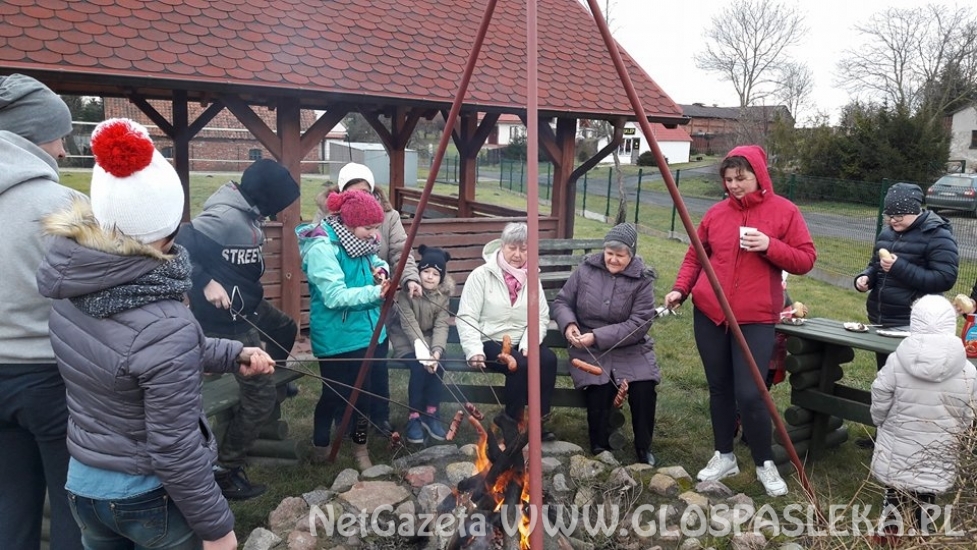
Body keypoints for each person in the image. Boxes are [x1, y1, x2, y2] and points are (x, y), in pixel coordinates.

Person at [35, 118, 276, 550]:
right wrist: (217, 530)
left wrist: (232, 353)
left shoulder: (71, 288)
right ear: (169, 227)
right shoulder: (166, 322)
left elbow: (136, 353)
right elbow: (174, 448)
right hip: (145, 497)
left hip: (84, 485)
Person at [663, 145, 816, 497]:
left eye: (741, 178)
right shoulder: (716, 214)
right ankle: (725, 455)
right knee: (719, 388)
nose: (733, 185)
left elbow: (806, 259)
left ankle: (764, 462)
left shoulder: (785, 212)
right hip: (710, 313)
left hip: (755, 318)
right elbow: (695, 257)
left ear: (758, 176)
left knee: (750, 392)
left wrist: (769, 245)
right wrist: (680, 289)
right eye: (728, 179)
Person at [175, 158, 300, 500]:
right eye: (280, 202)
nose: (280, 210)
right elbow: (177, 247)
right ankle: (225, 469)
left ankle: (274, 377)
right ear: (266, 196)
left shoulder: (248, 213)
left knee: (284, 327)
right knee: (259, 400)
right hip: (226, 320)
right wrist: (204, 282)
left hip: (248, 305)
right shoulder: (224, 217)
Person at [0, 73, 84, 550]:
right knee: (74, 505)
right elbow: (105, 294)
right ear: (34, 135)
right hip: (50, 378)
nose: (64, 151)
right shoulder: (64, 205)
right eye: (59, 136)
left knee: (9, 506)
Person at [314, 162, 421, 436]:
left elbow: (398, 252)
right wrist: (374, 290)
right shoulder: (327, 231)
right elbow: (331, 284)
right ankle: (341, 426)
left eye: (366, 191)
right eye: (354, 191)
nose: (361, 195)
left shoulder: (386, 218)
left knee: (375, 368)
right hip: (345, 315)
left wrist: (403, 277)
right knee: (343, 379)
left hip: (373, 310)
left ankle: (378, 418)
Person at [551, 223, 661, 464]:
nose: (612, 259)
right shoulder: (585, 270)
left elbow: (639, 323)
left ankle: (643, 448)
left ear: (631, 255)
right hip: (588, 347)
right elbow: (562, 302)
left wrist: (598, 336)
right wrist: (569, 325)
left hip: (630, 346)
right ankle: (599, 446)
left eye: (620, 255)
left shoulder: (642, 280)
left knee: (644, 388)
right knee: (598, 387)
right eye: (609, 253)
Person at [298, 189, 391, 470]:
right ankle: (321, 445)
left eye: (376, 227)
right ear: (350, 222)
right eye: (369, 227)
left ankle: (360, 448)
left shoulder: (360, 241)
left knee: (364, 394)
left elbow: (376, 262)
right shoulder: (322, 248)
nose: (374, 234)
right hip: (336, 337)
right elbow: (334, 296)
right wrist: (376, 293)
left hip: (367, 331)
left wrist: (382, 274)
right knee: (334, 393)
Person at [871, 294, 976, 537]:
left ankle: (890, 530)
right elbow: (970, 408)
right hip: (939, 448)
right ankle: (921, 532)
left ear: (914, 322)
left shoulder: (897, 361)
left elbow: (880, 391)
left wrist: (879, 418)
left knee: (895, 489)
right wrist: (958, 429)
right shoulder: (967, 370)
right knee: (928, 489)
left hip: (899, 444)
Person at [456, 222, 558, 439]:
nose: (518, 254)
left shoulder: (533, 278)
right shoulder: (481, 275)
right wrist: (474, 349)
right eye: (512, 248)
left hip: (523, 339)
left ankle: (538, 424)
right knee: (518, 365)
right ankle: (511, 424)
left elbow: (540, 316)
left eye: (524, 249)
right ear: (502, 246)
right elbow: (466, 316)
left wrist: (528, 343)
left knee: (548, 360)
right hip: (490, 339)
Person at [855, 183, 958, 371]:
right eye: (889, 215)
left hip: (913, 324)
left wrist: (899, 267)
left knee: (909, 377)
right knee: (885, 375)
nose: (893, 220)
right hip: (882, 320)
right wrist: (866, 278)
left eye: (898, 216)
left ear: (915, 211)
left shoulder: (938, 235)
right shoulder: (887, 233)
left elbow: (945, 279)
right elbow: (875, 266)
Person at [388, 245, 453, 444]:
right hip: (406, 340)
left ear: (441, 277)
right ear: (419, 272)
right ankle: (414, 416)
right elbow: (409, 324)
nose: (430, 277)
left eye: (435, 274)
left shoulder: (442, 297)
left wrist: (436, 352)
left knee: (437, 365)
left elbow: (441, 326)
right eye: (426, 271)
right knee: (419, 367)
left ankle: (431, 412)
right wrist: (422, 352)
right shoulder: (406, 294)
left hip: (429, 341)